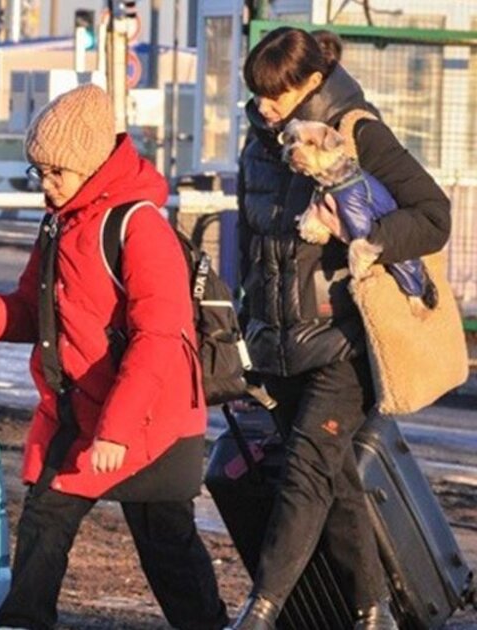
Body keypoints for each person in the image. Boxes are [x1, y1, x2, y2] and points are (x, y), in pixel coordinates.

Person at [0, 85, 227, 630]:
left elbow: (159, 338)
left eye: (56, 173)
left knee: (167, 546)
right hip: (77, 412)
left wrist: (117, 430)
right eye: (38, 172)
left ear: (92, 165)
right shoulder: (59, 222)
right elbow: (32, 309)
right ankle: (22, 623)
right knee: (44, 521)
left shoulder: (140, 225)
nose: (45, 185)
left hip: (150, 421)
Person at [228, 27, 450, 630]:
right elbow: (250, 244)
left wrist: (366, 237)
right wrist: (244, 330)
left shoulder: (358, 132)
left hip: (345, 341)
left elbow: (434, 216)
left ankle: (261, 608)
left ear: (312, 83)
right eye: (257, 93)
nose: (264, 107)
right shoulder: (259, 144)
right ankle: (372, 610)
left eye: (276, 95)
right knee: (336, 479)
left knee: (305, 472)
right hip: (278, 341)